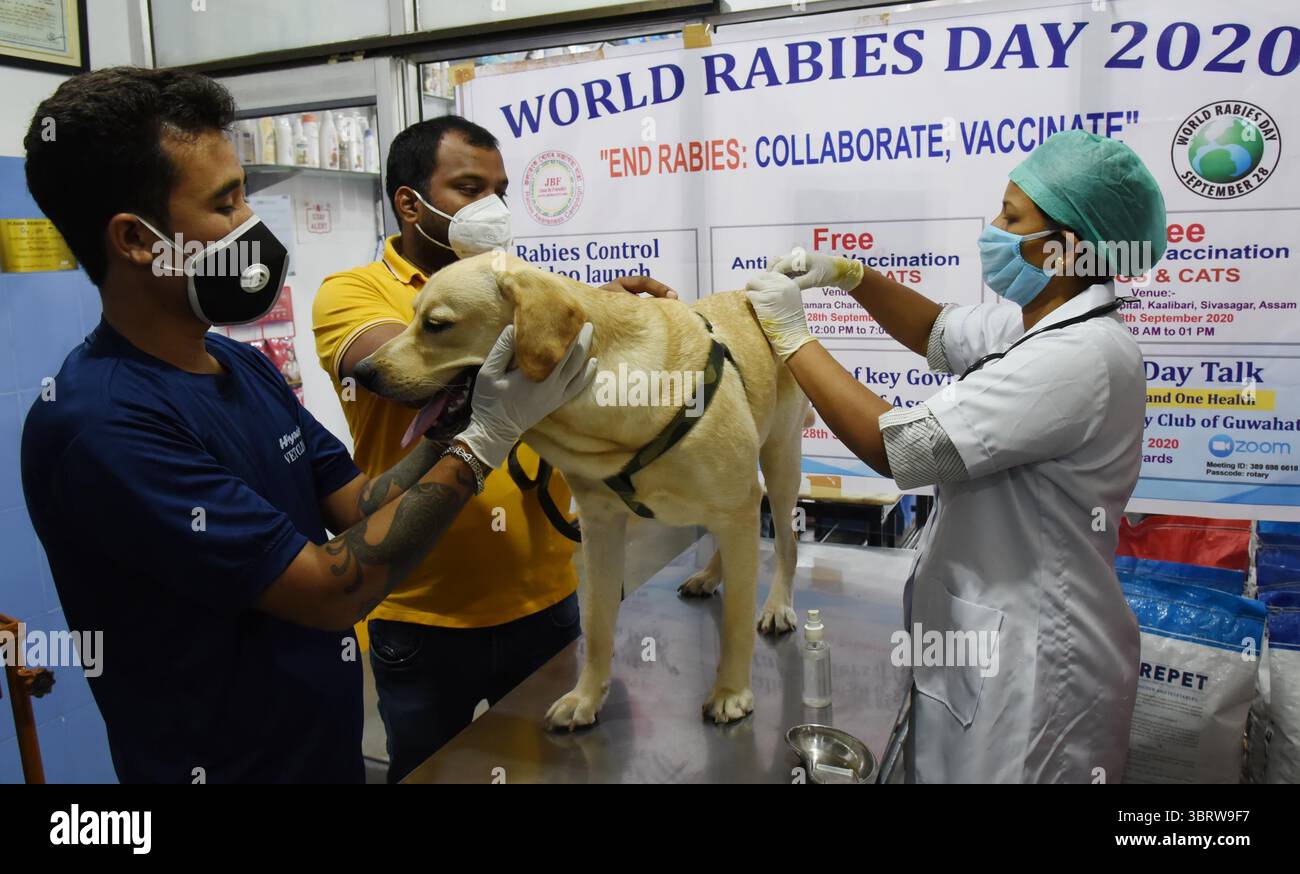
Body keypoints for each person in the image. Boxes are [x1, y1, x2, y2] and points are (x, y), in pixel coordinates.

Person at [20, 68, 593, 783]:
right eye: (226, 203)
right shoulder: (102, 424)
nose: (250, 225)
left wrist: (459, 429)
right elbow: (331, 590)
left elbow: (360, 505)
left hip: (323, 759)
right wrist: (481, 446)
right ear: (138, 240)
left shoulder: (238, 367)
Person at [745, 130, 1166, 783]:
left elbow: (899, 447)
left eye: (1013, 217)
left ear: (1068, 246)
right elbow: (937, 330)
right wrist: (851, 276)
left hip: (1037, 665)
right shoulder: (1037, 323)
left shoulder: (1080, 358)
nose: (994, 230)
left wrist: (793, 338)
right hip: (982, 634)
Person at [312, 115, 676, 782]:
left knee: (566, 769)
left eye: (501, 190)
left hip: (550, 598)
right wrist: (573, 317)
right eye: (469, 187)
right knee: (434, 773)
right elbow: (403, 370)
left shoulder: (520, 287)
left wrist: (600, 312)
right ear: (409, 203)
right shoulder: (352, 292)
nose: (493, 208)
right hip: (423, 612)